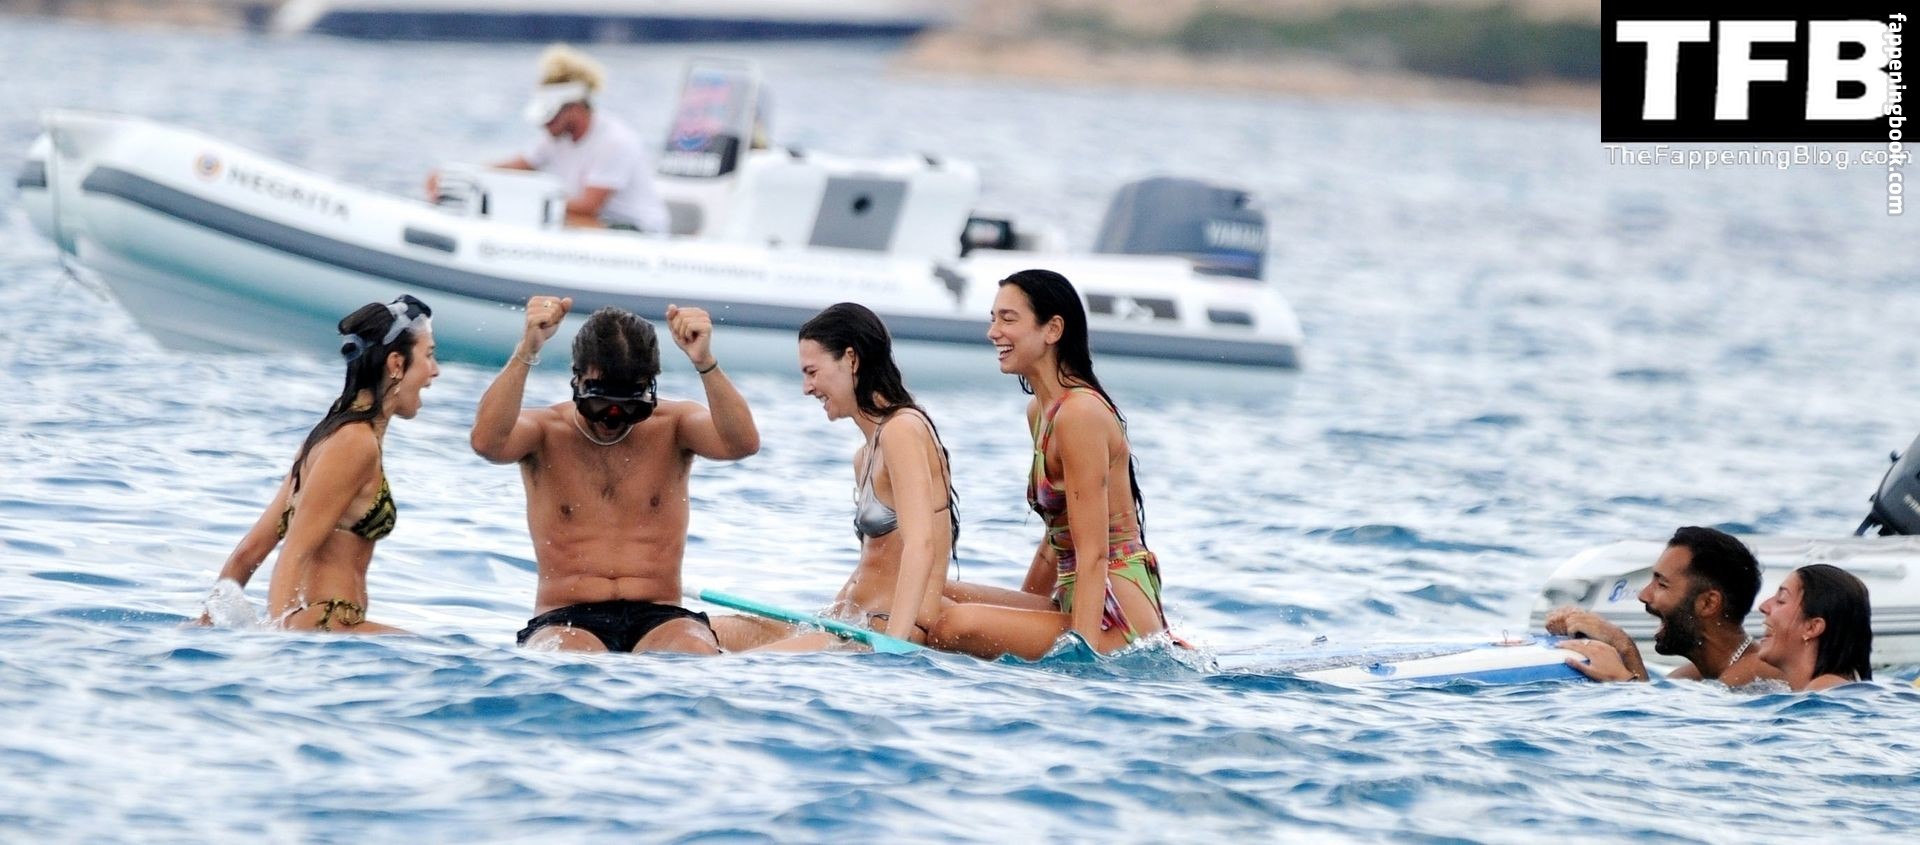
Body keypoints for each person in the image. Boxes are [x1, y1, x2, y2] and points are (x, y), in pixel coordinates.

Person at [470, 295, 759, 655]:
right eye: (599, 403)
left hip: (660, 615)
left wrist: (705, 362)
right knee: (570, 657)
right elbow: (486, 443)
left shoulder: (674, 425)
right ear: (577, 380)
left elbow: (742, 443)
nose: (612, 419)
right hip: (567, 618)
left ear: (650, 388)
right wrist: (527, 350)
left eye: (630, 408)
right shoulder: (545, 431)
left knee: (693, 650)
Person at [931, 269, 1168, 660]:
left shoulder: (1080, 414)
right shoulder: (1040, 412)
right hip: (1073, 597)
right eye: (993, 319)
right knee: (928, 594)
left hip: (1117, 616)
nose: (993, 332)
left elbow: (1094, 553)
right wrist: (1015, 622)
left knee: (953, 625)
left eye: (1008, 319)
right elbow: (1056, 538)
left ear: (1053, 329)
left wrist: (1080, 658)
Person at [709, 304, 958, 652]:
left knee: (742, 665)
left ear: (851, 359)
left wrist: (892, 647)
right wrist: (822, 619)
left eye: (812, 372)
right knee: (704, 632)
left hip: (883, 629)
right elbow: (873, 561)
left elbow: (921, 545)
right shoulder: (865, 455)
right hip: (850, 621)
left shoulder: (902, 430)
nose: (807, 388)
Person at [201, 296, 439, 633]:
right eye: (429, 355)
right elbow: (294, 551)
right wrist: (282, 643)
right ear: (397, 364)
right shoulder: (354, 443)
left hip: (323, 629)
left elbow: (249, 552)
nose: (435, 370)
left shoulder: (327, 438)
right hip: (325, 626)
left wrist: (207, 622)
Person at [431, 45, 669, 232]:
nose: (544, 124)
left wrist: (514, 200)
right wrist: (459, 177)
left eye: (551, 116)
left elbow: (588, 207)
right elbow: (513, 168)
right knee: (546, 216)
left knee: (555, 217)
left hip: (637, 230)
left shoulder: (616, 141)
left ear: (575, 108)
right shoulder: (555, 137)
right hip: (593, 221)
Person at [1549, 526, 1785, 685]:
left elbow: (1660, 733)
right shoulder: (1689, 677)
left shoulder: (1755, 675)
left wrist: (1623, 647)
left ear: (1708, 603)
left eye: (1661, 584)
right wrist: (1618, 649)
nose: (1643, 595)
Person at [1755, 564, 1874, 690]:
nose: (1763, 607)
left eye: (1781, 600)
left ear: (1812, 628)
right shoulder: (1834, 688)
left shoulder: (1825, 688)